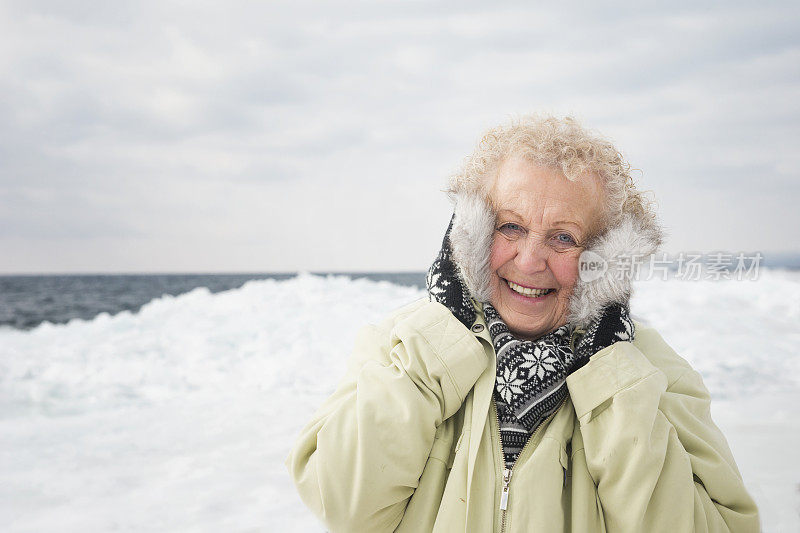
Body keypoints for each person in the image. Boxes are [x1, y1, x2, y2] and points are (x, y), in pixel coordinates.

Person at [285, 115, 760, 532]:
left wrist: (610, 377)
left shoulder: (651, 374)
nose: (530, 261)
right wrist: (443, 333)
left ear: (603, 256)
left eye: (563, 237)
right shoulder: (401, 346)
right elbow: (342, 502)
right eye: (510, 227)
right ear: (472, 230)